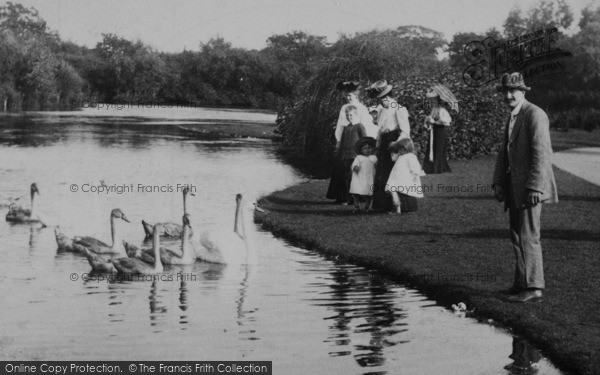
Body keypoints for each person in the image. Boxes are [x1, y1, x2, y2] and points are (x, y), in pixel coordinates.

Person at [492, 72, 558, 303]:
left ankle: (534, 287)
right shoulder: (513, 116)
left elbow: (542, 154)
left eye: (513, 91)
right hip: (513, 186)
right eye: (505, 92)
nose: (508, 95)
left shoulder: (535, 114)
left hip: (529, 188)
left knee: (529, 236)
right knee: (516, 236)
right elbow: (504, 153)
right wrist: (498, 182)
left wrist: (535, 188)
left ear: (523, 92)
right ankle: (521, 283)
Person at [327, 81, 376, 203]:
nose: (348, 98)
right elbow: (340, 125)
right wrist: (338, 140)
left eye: (351, 96)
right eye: (347, 95)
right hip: (345, 140)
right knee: (342, 169)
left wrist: (366, 144)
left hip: (356, 141)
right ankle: (342, 196)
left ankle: (357, 196)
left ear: (356, 96)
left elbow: (366, 126)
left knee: (354, 169)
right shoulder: (344, 107)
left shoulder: (361, 108)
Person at [366, 80, 411, 211]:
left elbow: (405, 130)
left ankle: (400, 204)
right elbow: (380, 130)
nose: (380, 102)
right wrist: (378, 145)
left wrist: (397, 143)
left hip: (395, 142)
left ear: (387, 97)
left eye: (381, 99)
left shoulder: (398, 108)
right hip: (385, 141)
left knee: (396, 172)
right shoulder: (382, 110)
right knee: (382, 172)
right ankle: (383, 205)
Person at [423, 85, 458, 174]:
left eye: (433, 100)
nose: (432, 102)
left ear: (437, 100)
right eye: (431, 100)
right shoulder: (433, 109)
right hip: (434, 131)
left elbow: (447, 122)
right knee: (432, 148)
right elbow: (431, 121)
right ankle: (431, 168)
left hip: (440, 131)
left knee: (438, 148)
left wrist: (434, 121)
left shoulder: (442, 110)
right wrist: (428, 120)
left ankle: (438, 168)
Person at [385, 138, 424, 214]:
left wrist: (415, 175)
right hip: (397, 176)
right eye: (398, 149)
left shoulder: (410, 156)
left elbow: (415, 167)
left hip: (406, 177)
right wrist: (393, 149)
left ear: (406, 148)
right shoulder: (400, 156)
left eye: (401, 149)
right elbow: (393, 158)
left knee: (402, 190)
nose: (399, 151)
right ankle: (397, 206)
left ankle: (399, 207)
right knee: (393, 188)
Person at [349, 137, 377, 212]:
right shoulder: (359, 157)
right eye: (365, 148)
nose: (367, 150)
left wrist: (377, 165)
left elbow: (377, 165)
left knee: (369, 194)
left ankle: (367, 207)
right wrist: (355, 167)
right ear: (361, 150)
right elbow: (354, 165)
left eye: (369, 148)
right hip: (359, 178)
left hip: (369, 178)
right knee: (356, 193)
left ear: (372, 149)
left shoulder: (374, 157)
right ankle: (356, 207)